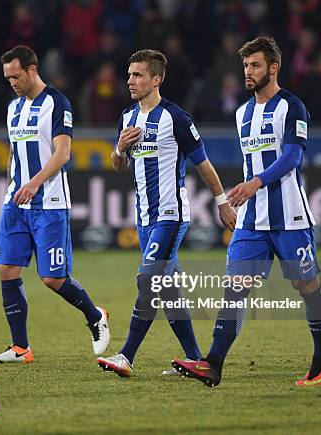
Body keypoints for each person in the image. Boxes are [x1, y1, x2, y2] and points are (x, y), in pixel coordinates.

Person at [172, 36, 321, 387]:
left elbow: (292, 157)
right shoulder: (242, 113)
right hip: (252, 222)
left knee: (308, 287)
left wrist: (255, 183)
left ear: (273, 68)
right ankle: (213, 363)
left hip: (289, 217)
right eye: (245, 65)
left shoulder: (293, 107)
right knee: (235, 289)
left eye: (255, 65)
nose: (248, 71)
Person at [97, 49, 236, 377]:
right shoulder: (127, 118)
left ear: (156, 79)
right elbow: (118, 166)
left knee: (148, 279)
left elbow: (203, 164)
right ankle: (196, 359)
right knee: (168, 291)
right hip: (143, 217)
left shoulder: (176, 118)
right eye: (129, 74)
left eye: (138, 75)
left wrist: (221, 202)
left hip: (169, 216)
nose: (130, 80)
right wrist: (119, 148)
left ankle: (125, 355)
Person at [0, 45, 110, 363]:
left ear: (31, 70)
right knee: (7, 270)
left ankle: (95, 315)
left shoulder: (57, 103)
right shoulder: (13, 108)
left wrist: (34, 183)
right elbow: (15, 153)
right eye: (7, 78)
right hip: (16, 202)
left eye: (16, 76)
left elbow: (62, 153)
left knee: (53, 278)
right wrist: (14, 184)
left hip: (49, 202)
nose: (12, 82)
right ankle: (20, 348)